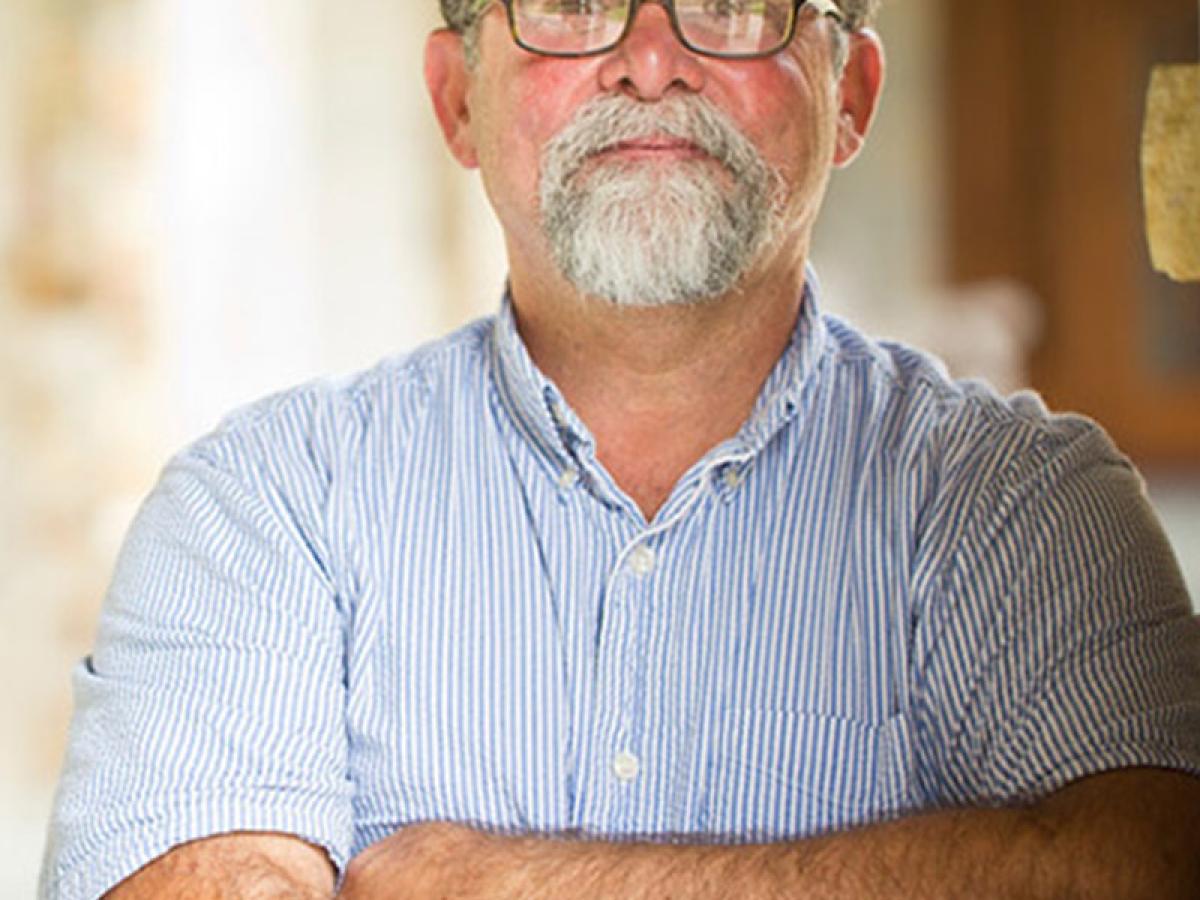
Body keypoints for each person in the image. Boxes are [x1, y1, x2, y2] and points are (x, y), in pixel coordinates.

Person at [40, 0, 1200, 897]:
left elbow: (1149, 867)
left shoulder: (1026, 505)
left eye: (733, 5)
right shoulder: (262, 505)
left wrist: (492, 883)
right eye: (571, 4)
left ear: (851, 95)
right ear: (456, 100)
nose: (651, 61)